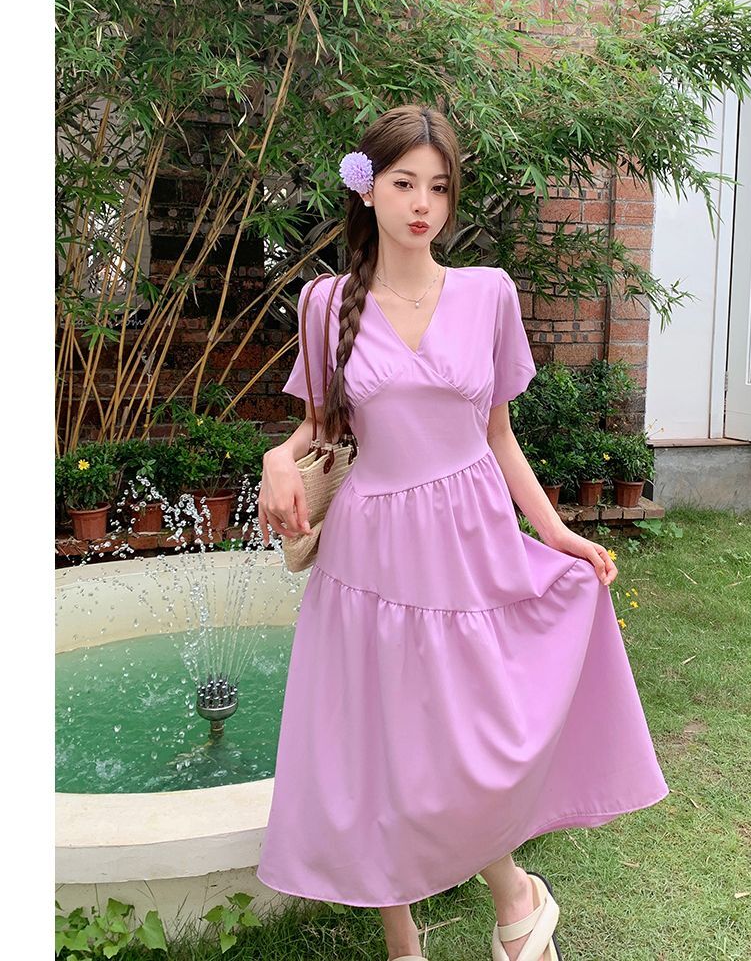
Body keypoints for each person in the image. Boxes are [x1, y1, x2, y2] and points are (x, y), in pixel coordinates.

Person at [255, 104, 669, 961]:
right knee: (380, 743)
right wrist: (275, 459)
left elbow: (499, 434)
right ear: (368, 190)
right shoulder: (325, 303)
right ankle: (403, 943)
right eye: (404, 183)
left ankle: (515, 894)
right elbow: (319, 427)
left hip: (470, 539)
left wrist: (556, 532)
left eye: (438, 188)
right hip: (372, 551)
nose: (422, 205)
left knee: (468, 737)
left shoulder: (488, 293)